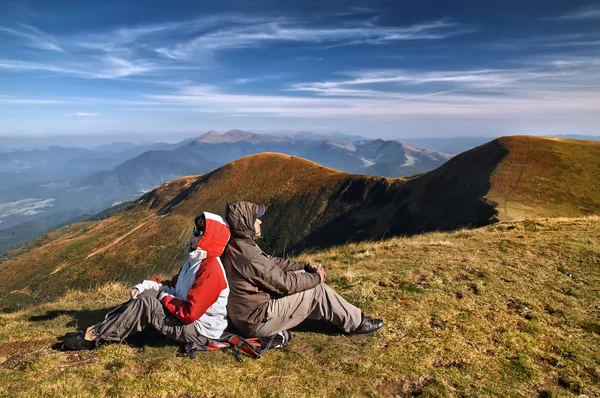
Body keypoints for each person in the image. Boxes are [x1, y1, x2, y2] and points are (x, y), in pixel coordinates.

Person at [62, 212, 231, 350]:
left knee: (148, 304)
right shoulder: (195, 261)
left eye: (198, 232)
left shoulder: (210, 270)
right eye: (194, 229)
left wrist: (164, 298)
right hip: (189, 321)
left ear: (210, 239)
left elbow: (190, 313)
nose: (192, 234)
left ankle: (94, 337)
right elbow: (173, 286)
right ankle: (103, 326)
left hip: (200, 331)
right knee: (147, 294)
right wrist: (143, 287)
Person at [222, 201, 383, 338]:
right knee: (316, 290)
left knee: (303, 276)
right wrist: (317, 277)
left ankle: (338, 314)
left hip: (244, 315)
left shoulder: (238, 244)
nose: (260, 222)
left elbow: (271, 262)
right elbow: (285, 283)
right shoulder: (249, 254)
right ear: (246, 222)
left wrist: (303, 267)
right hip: (256, 321)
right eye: (255, 218)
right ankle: (357, 323)